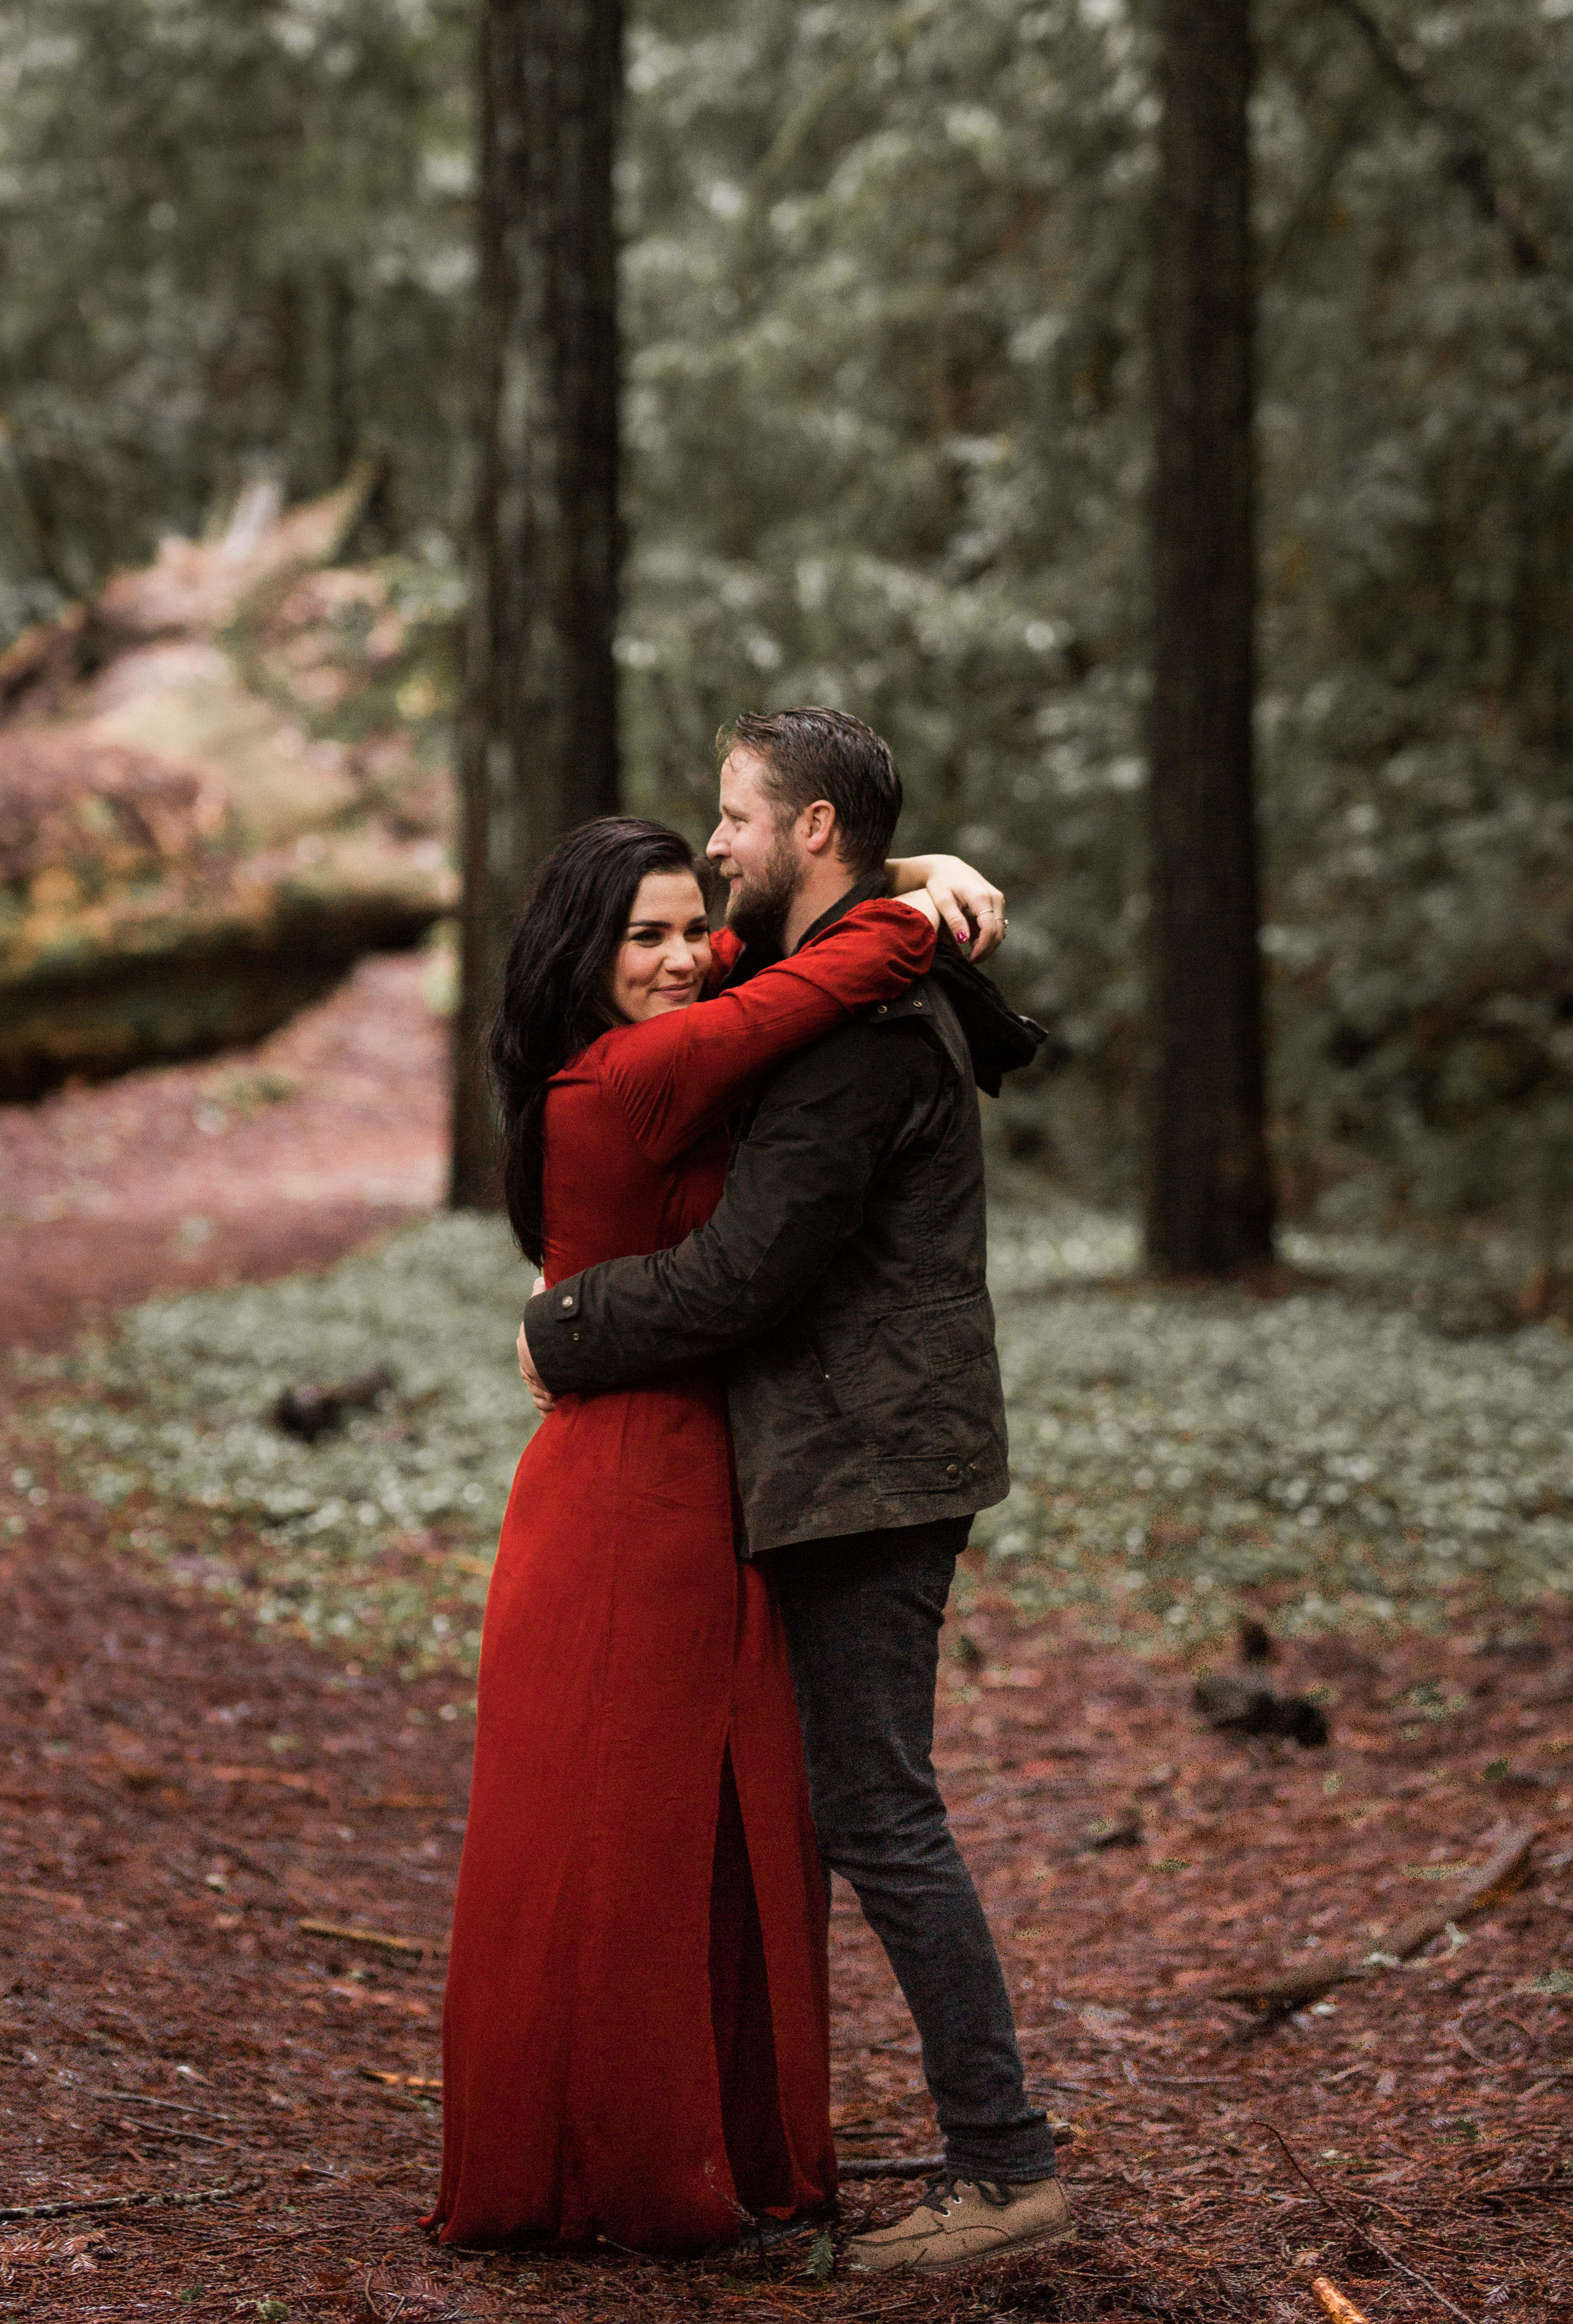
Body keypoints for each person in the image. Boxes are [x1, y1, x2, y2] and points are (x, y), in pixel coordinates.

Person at [519, 709, 1069, 2279]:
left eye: (737, 821)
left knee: (878, 1811)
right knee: (861, 1807)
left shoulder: (856, 1039)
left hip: (869, 1464)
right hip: (858, 1453)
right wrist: (921, 877)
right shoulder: (837, 983)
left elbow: (741, 1277)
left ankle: (1002, 2166)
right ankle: (984, 2152)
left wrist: (562, 1327)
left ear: (810, 831)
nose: (717, 849)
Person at [431, 813, 997, 2254]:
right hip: (632, 1487)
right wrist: (914, 903)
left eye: (694, 926)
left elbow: (760, 952)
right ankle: (640, 2178)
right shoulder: (628, 1074)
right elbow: (814, 979)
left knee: (712, 1831)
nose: (686, 956)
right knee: (632, 1835)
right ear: (582, 952)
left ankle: (689, 2144)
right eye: (646, 936)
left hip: (698, 1468)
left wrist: (905, 870)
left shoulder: (668, 1013)